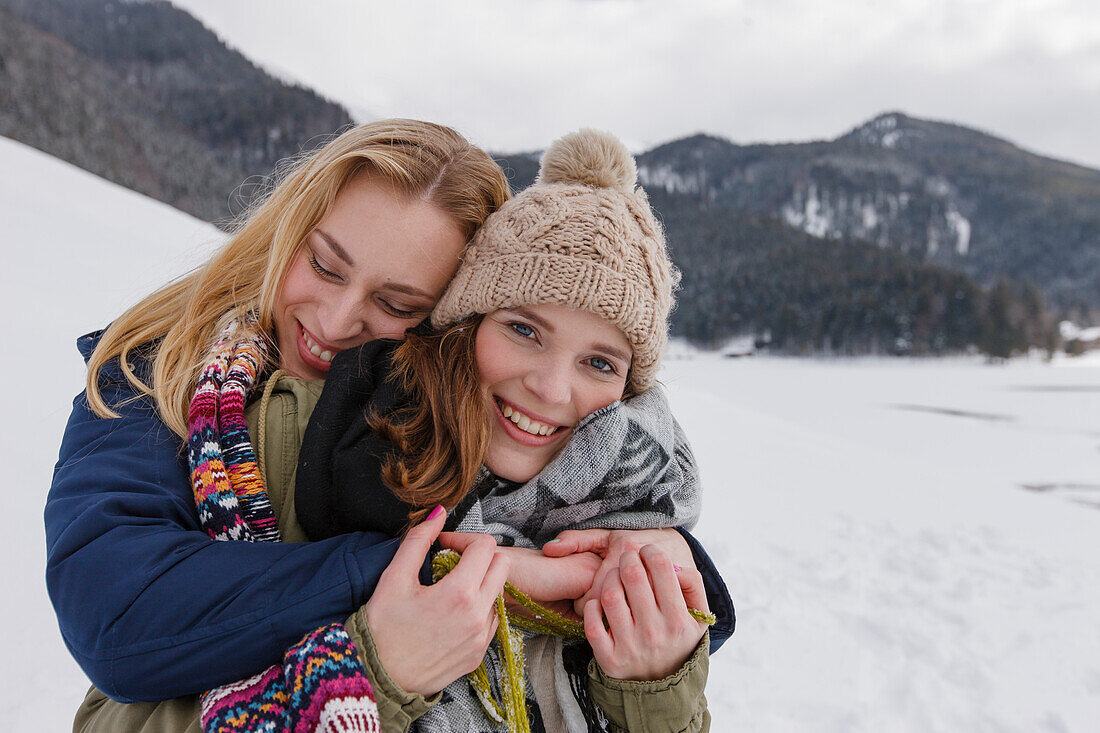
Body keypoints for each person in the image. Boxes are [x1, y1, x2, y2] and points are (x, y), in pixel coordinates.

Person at [45, 120, 733, 731]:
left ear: (450, 323)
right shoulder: (157, 375)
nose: (339, 322)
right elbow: (117, 617)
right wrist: (460, 572)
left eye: (398, 302)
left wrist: (655, 586)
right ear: (289, 226)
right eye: (324, 263)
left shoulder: (432, 444)